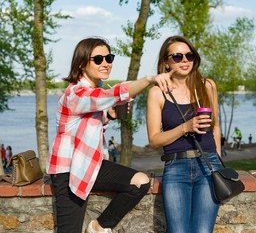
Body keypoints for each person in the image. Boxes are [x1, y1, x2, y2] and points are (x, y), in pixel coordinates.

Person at [46, 37, 173, 233]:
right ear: (81, 64)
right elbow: (109, 95)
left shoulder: (93, 92)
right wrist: (149, 80)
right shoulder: (75, 94)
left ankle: (99, 226)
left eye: (109, 58)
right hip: (69, 170)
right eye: (98, 59)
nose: (105, 63)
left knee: (140, 182)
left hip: (92, 165)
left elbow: (88, 124)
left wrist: (110, 116)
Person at [146, 35, 222, 233]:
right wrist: (185, 127)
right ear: (166, 61)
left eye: (189, 55)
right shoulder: (157, 93)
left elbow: (215, 127)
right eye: (177, 56)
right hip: (176, 167)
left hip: (208, 165)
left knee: (203, 231)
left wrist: (218, 164)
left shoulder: (208, 86)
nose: (185, 60)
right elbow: (154, 140)